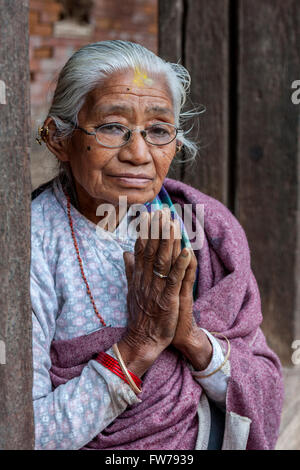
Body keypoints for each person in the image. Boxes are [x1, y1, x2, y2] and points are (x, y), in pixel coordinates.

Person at [31, 40, 283, 450]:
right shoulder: (32, 245)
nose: (138, 153)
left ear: (176, 146)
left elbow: (264, 383)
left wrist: (191, 338)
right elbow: (26, 431)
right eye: (112, 127)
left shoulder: (201, 226)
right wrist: (139, 346)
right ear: (58, 138)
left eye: (159, 131)